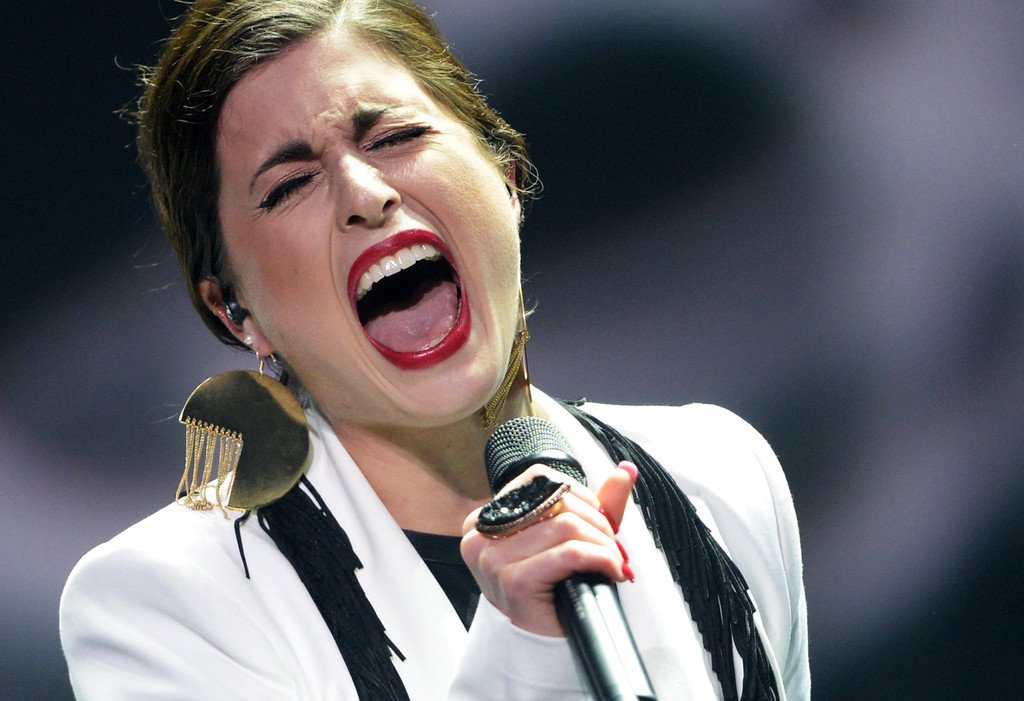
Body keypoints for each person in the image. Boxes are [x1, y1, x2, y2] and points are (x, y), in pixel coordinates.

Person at [60, 1, 810, 699]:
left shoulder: (717, 476)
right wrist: (526, 644)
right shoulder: (164, 604)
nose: (365, 194)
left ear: (506, 178)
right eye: (290, 184)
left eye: (394, 138)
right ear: (234, 309)